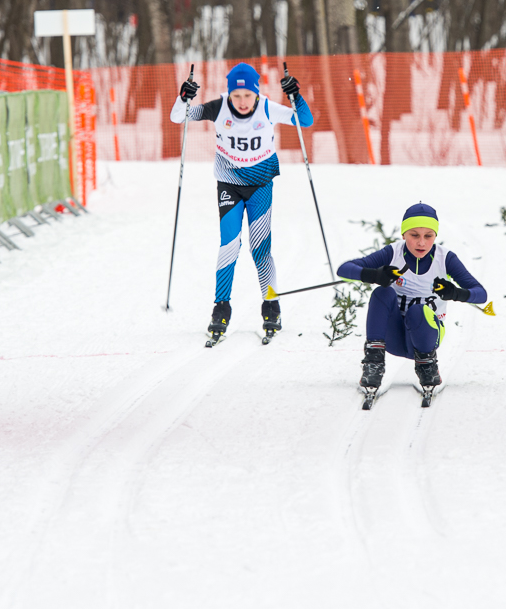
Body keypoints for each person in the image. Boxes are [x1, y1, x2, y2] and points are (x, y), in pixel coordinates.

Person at [170, 62, 314, 342]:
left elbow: (304, 121)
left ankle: (271, 305)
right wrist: (184, 97)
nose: (242, 101)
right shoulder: (218, 108)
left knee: (260, 249)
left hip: (260, 185)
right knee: (229, 246)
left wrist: (296, 95)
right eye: (237, 96)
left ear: (256, 92)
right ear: (229, 95)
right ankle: (220, 307)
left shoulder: (268, 108)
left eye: (247, 95)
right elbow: (180, 117)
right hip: (229, 185)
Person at [336, 203, 486, 392]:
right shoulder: (393, 253)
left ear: (435, 236)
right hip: (394, 337)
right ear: (404, 234)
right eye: (414, 235)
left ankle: (426, 365)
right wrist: (375, 275)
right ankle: (373, 363)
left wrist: (455, 293)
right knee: (382, 292)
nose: (421, 243)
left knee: (418, 310)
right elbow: (344, 269)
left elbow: (481, 294)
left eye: (428, 236)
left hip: (427, 336)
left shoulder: (445, 258)